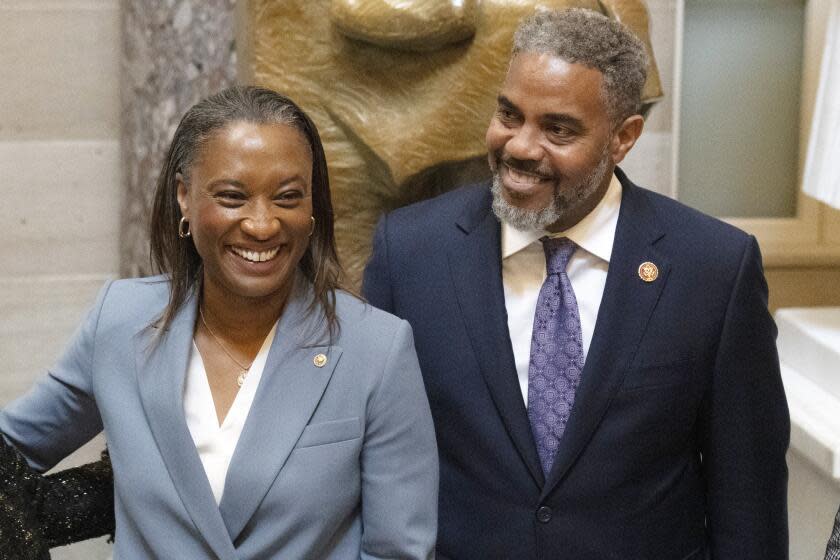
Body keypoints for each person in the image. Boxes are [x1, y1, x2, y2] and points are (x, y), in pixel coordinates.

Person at [363, 8, 790, 559]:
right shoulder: (413, 252)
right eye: (509, 115)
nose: (519, 146)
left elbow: (747, 501)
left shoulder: (712, 269)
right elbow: (374, 465)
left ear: (623, 137)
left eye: (558, 128)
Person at [0, 85, 438, 559]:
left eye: (288, 197)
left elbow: (398, 551)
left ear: (313, 208)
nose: (262, 223)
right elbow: (13, 447)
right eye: (233, 196)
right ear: (184, 197)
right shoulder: (120, 320)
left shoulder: (377, 348)